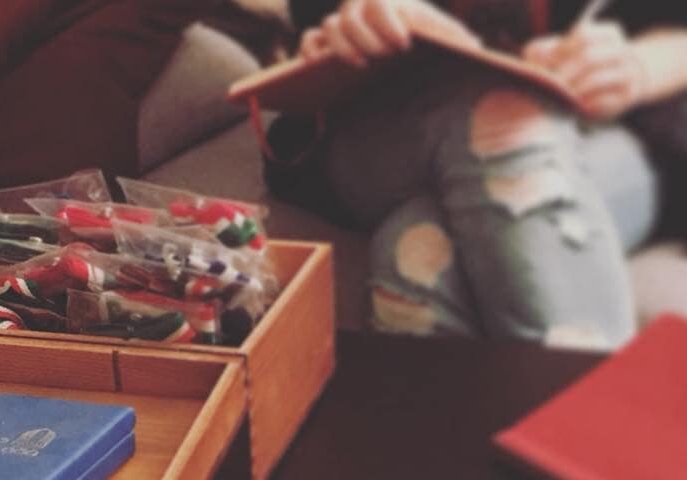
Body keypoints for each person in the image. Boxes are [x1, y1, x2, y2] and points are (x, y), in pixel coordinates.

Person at [265, 0, 687, 347]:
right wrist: (355, 30)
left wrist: (637, 65)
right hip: (391, 126)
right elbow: (314, 32)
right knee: (505, 118)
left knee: (420, 250)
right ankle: (594, 423)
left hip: (608, 135)